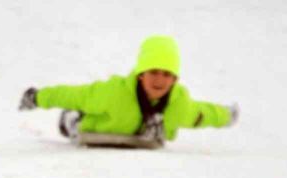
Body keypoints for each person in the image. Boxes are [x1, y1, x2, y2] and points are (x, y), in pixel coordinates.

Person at [18, 35, 238, 143]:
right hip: (91, 126)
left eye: (166, 74)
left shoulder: (178, 104)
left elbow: (201, 114)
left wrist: (227, 115)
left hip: (138, 135)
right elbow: (74, 95)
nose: (159, 80)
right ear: (141, 73)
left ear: (174, 79)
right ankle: (70, 120)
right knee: (77, 110)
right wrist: (38, 97)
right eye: (153, 72)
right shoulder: (114, 93)